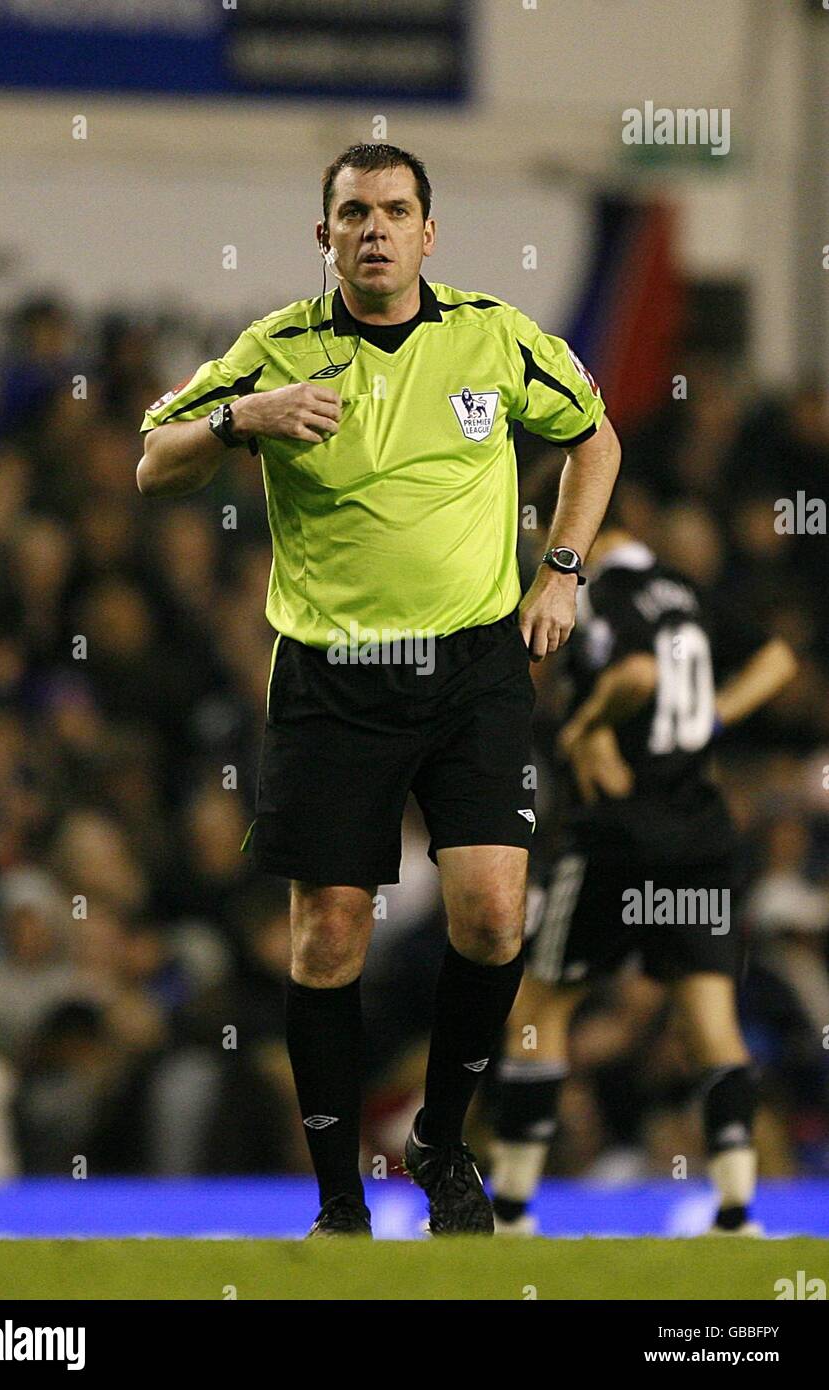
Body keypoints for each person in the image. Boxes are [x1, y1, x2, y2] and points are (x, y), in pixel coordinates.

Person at [137, 143, 620, 1235]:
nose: (374, 229)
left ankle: (440, 1141)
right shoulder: (279, 347)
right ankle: (338, 1202)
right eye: (352, 212)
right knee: (328, 938)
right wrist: (239, 422)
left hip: (473, 663)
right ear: (325, 236)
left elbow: (595, 441)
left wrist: (562, 569)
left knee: (496, 915)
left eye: (395, 211)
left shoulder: (493, 336)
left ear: (427, 234)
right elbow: (150, 458)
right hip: (332, 675)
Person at [490, 506, 797, 1235]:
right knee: (710, 1024)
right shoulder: (681, 591)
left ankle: (510, 1211)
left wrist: (586, 723)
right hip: (699, 836)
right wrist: (714, 719)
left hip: (615, 835)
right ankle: (733, 1212)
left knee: (539, 1011)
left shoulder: (597, 594)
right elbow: (778, 659)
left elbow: (633, 672)